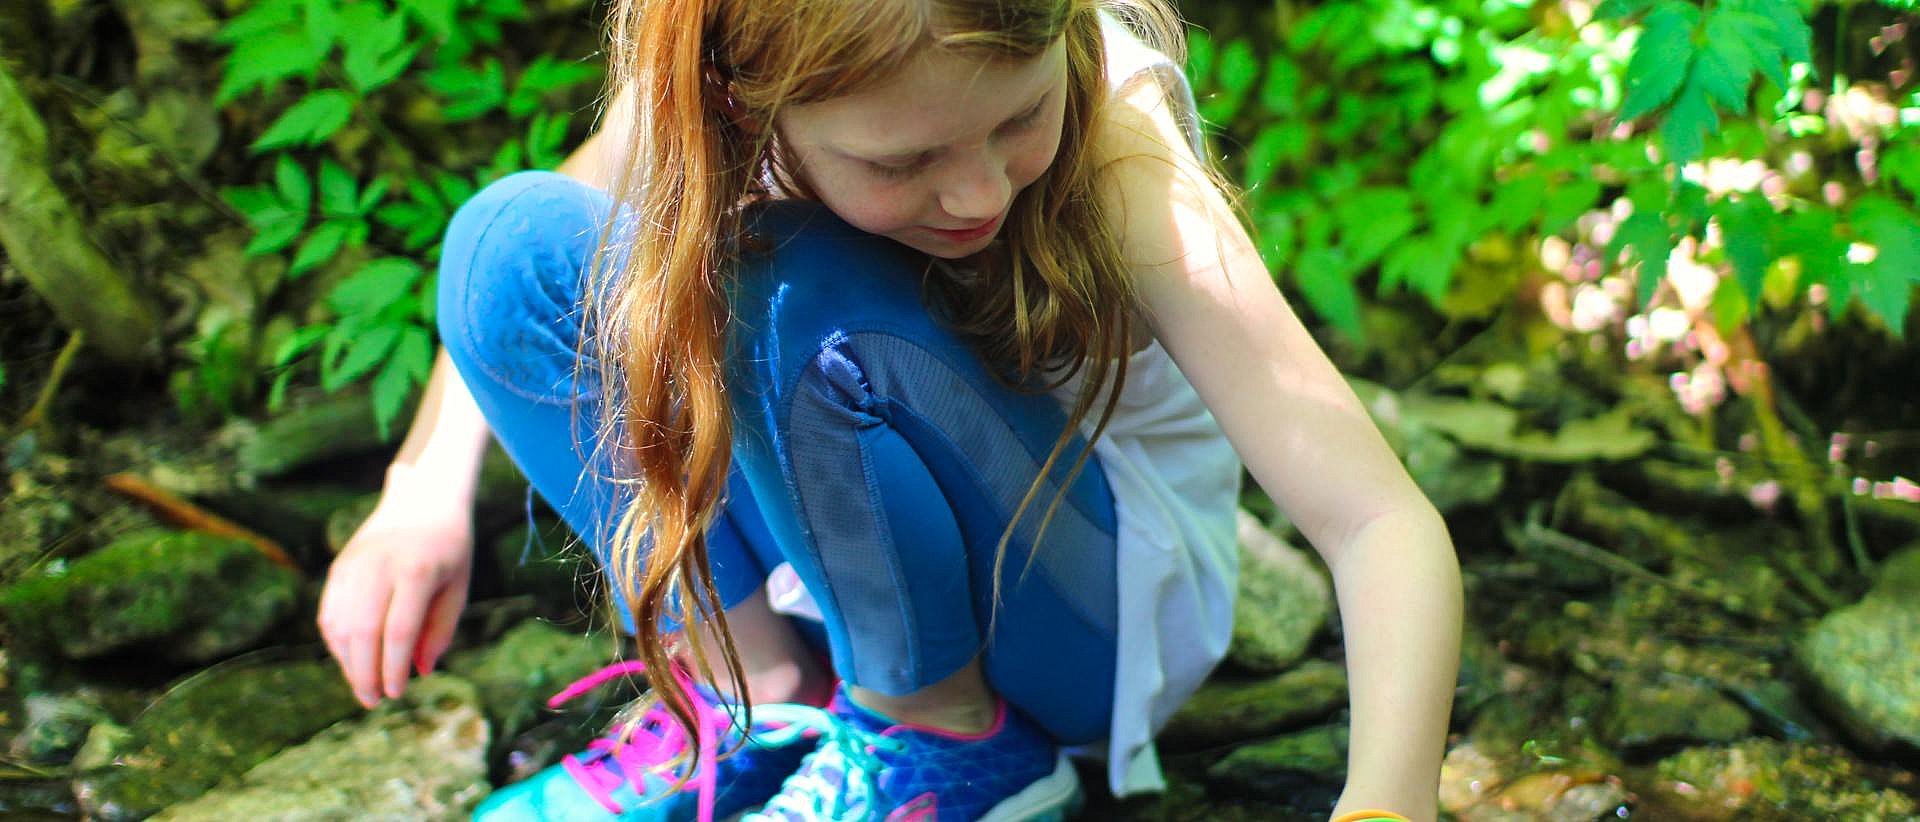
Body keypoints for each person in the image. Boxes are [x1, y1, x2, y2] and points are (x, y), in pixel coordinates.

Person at [318, 0, 1462, 819]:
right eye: (904, 160)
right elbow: (541, 251)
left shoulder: (1116, 156)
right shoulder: (707, 80)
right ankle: (749, 690)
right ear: (739, 101)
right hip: (835, 552)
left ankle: (946, 736)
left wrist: (1388, 801)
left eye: (1018, 120)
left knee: (795, 289)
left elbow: (1375, 518)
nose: (977, 192)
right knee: (505, 244)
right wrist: (421, 491)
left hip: (1080, 611)